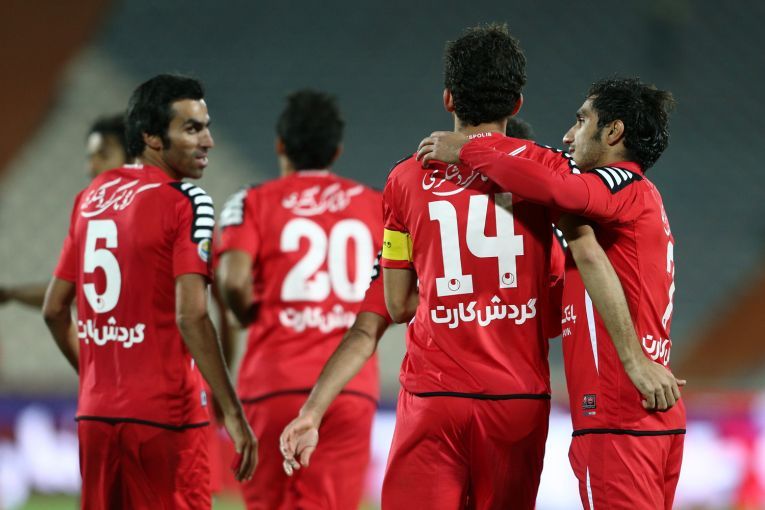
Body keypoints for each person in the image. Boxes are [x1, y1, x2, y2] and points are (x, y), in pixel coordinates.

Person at [417, 77, 686, 509]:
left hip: (618, 411)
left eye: (581, 121)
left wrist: (468, 150)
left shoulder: (618, 182)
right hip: (646, 409)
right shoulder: (634, 205)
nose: (568, 136)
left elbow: (559, 187)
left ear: (613, 132)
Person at [42, 74, 256, 509]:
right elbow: (191, 315)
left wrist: (97, 377)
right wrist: (232, 412)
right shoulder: (186, 200)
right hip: (166, 418)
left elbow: (54, 310)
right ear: (152, 137)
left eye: (206, 127)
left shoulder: (92, 197)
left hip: (96, 416)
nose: (208, 141)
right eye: (192, 129)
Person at [216, 89, 383, 510]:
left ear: (280, 144)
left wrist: (244, 314)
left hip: (272, 383)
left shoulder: (252, 201)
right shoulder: (376, 204)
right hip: (349, 388)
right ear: (337, 151)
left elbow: (232, 280)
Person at [1, 114, 134, 310]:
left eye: (104, 155)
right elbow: (72, 293)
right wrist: (10, 294)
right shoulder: (96, 220)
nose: (92, 167)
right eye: (90, 157)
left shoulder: (164, 213)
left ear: (134, 158)